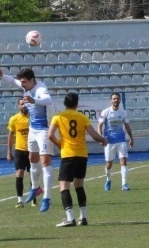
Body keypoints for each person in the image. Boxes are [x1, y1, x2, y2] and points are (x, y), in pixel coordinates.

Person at [0, 67, 55, 212]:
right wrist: (2, 75)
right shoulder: (25, 85)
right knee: (32, 159)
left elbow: (48, 99)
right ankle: (36, 188)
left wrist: (34, 100)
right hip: (33, 130)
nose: (22, 85)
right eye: (21, 82)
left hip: (44, 129)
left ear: (32, 80)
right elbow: (12, 81)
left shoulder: (40, 88)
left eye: (24, 82)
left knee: (45, 162)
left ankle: (47, 197)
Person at [48, 92, 106, 227]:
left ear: (64, 104)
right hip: (82, 155)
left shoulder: (58, 117)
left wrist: (59, 144)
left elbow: (50, 135)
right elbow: (95, 135)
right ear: (77, 104)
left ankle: (70, 218)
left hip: (68, 155)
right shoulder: (82, 117)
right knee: (79, 186)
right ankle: (83, 217)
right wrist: (103, 140)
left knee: (64, 187)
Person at [98, 93, 134, 191]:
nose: (116, 100)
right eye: (114, 99)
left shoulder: (123, 113)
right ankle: (108, 179)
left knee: (124, 160)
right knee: (109, 163)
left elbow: (127, 126)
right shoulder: (106, 112)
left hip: (121, 140)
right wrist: (101, 138)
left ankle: (124, 184)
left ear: (120, 100)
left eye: (117, 98)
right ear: (111, 101)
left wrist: (131, 138)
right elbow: (100, 126)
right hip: (109, 141)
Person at [6, 98, 36, 208]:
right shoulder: (14, 119)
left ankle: (33, 198)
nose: (24, 106)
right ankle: (19, 200)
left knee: (33, 174)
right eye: (22, 104)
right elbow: (10, 137)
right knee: (19, 173)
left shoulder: (32, 118)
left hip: (31, 149)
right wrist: (9, 152)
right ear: (18, 106)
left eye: (25, 104)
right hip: (19, 150)